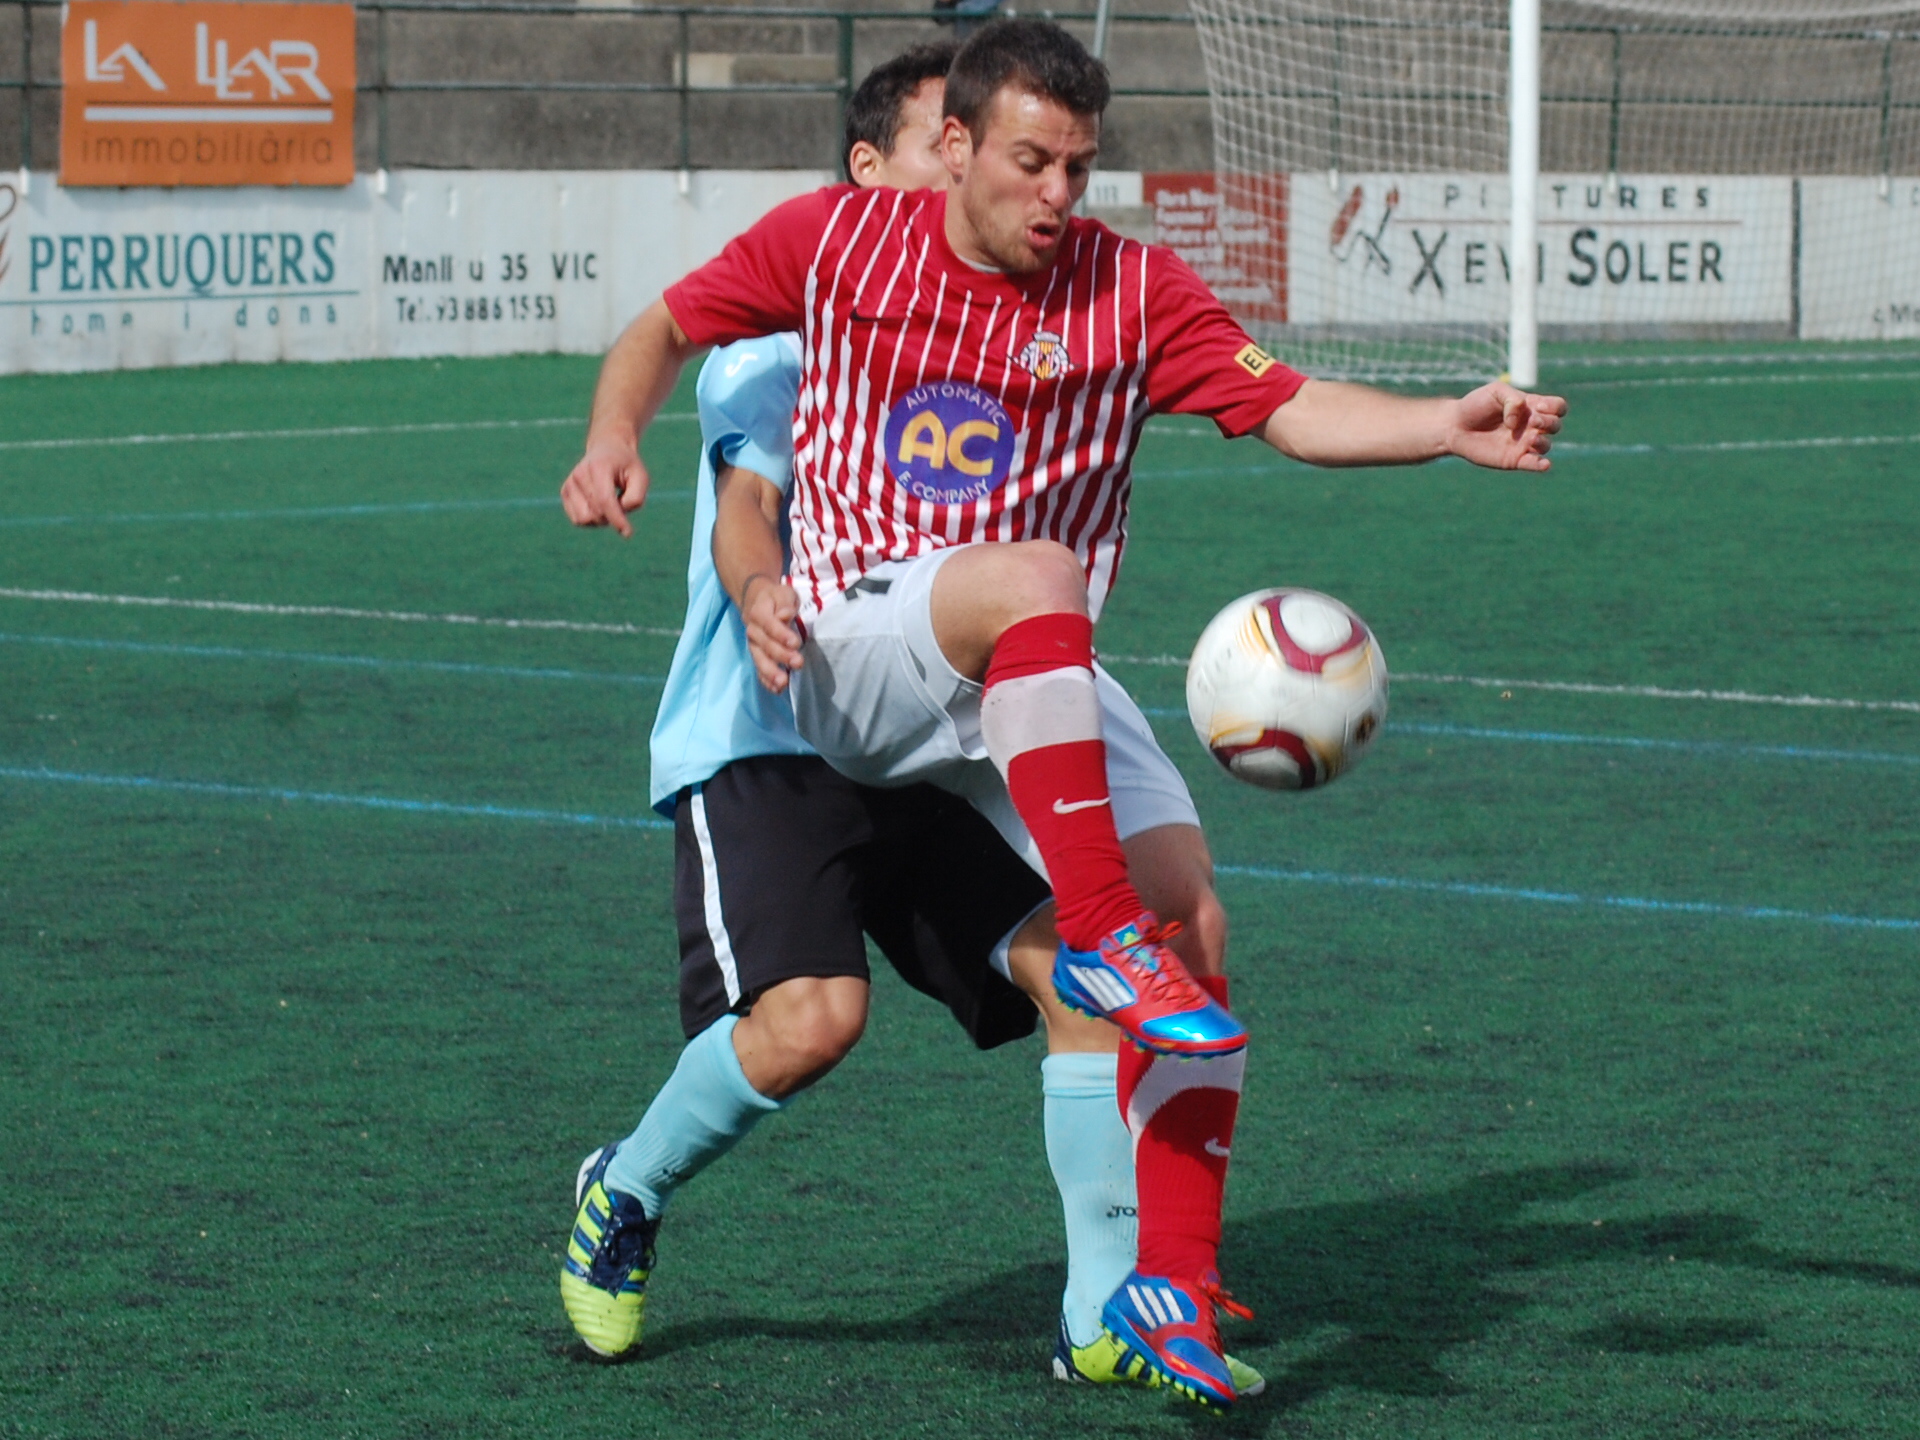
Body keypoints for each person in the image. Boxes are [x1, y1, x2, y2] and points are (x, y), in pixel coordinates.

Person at [562, 19, 1565, 1407]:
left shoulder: (1133, 291)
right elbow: (671, 332)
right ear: (954, 149)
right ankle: (636, 1184)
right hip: (854, 652)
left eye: (1079, 168)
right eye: (1032, 161)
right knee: (829, 1006)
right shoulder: (840, 246)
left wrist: (1438, 428)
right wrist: (613, 439)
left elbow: (1285, 407)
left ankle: (1155, 1298)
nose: (1058, 195)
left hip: (1020, 674)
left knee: (1192, 930)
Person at [556, 42, 1263, 1401]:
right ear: (882, 168)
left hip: (927, 719)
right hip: (768, 733)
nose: (1004, 180)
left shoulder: (974, 311)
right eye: (967, 142)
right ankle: (625, 1187)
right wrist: (744, 572)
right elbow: (750, 506)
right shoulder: (786, 333)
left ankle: (1107, 1306)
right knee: (814, 1020)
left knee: (1088, 974)